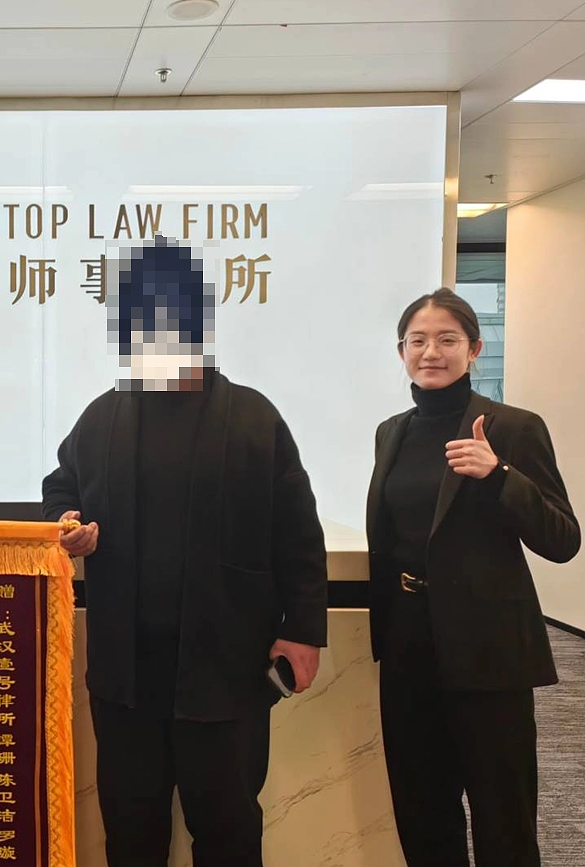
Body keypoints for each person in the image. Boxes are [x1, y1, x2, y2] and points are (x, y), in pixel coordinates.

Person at [41, 236, 328, 867]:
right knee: (131, 830)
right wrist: (65, 522)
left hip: (227, 666)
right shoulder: (102, 416)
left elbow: (299, 533)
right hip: (126, 674)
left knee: (228, 830)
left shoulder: (253, 417)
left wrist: (304, 630)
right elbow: (61, 487)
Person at [367, 288, 579, 867]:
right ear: (402, 351)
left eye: (447, 339)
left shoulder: (513, 427)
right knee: (422, 806)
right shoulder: (391, 432)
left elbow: (562, 540)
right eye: (417, 341)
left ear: (474, 349)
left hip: (489, 650)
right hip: (410, 645)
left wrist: (500, 474)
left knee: (502, 810)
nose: (430, 352)